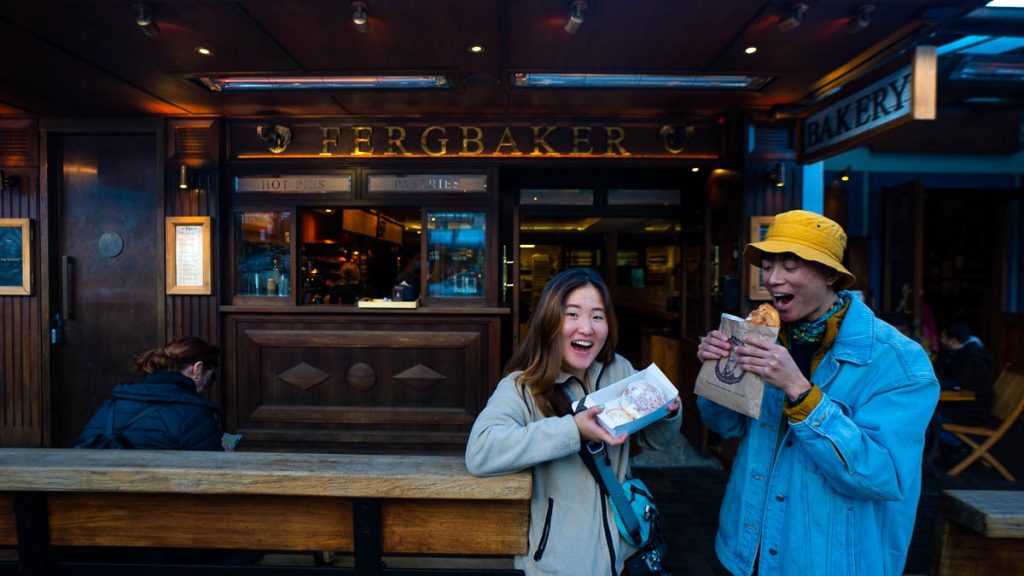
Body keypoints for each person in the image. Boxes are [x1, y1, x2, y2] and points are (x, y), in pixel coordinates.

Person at [696, 210, 938, 576]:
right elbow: (724, 426)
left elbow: (883, 476)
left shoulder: (900, 362)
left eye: (791, 265)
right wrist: (720, 373)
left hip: (829, 562)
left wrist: (799, 391)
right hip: (744, 553)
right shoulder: (760, 335)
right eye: (768, 264)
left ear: (830, 275)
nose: (772, 278)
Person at [465, 267, 681, 575]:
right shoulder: (523, 386)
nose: (587, 328)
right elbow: (480, 451)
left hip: (622, 556)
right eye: (572, 314)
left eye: (597, 316)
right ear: (550, 321)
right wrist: (572, 430)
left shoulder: (619, 371)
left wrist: (668, 411)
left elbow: (655, 440)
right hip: (558, 564)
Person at [76, 336, 222, 450]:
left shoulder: (112, 404)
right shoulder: (195, 414)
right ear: (197, 369)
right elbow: (211, 470)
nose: (205, 387)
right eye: (210, 378)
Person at [934, 322, 994, 429]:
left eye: (943, 337)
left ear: (953, 341)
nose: (940, 339)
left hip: (971, 410)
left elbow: (960, 385)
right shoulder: (959, 353)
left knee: (925, 413)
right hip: (962, 405)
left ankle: (954, 442)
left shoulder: (972, 359)